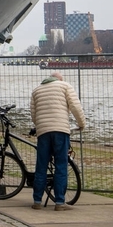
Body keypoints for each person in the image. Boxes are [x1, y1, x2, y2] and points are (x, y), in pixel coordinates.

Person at [30, 71, 85, 211]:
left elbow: (33, 114)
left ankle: (37, 201)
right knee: (61, 165)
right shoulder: (64, 86)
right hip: (60, 130)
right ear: (59, 79)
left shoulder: (36, 90)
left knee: (41, 166)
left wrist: (40, 126)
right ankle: (60, 202)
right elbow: (75, 106)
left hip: (43, 132)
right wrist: (81, 124)